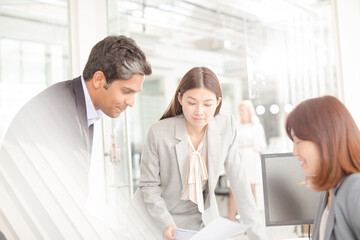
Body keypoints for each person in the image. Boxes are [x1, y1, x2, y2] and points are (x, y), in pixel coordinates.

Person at [0, 35, 152, 239]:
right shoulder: (60, 113)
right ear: (99, 79)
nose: (132, 102)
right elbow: (63, 208)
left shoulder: (77, 103)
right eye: (126, 91)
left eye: (135, 93)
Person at [138, 67, 266, 240]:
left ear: (218, 101)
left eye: (207, 104)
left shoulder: (226, 126)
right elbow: (148, 185)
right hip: (164, 219)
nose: (199, 111)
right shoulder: (158, 132)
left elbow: (240, 184)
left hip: (207, 222)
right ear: (180, 98)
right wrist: (166, 223)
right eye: (192, 103)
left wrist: (258, 236)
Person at [285, 95, 360, 240]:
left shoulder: (355, 188)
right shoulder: (328, 192)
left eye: (298, 141)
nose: (295, 152)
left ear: (325, 139)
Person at [228, 100, 267, 220]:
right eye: (240, 110)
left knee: (251, 189)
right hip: (238, 158)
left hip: (251, 158)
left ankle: (253, 219)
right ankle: (231, 219)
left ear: (249, 111)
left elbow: (262, 145)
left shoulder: (256, 126)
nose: (241, 112)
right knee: (233, 190)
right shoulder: (236, 125)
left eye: (243, 110)